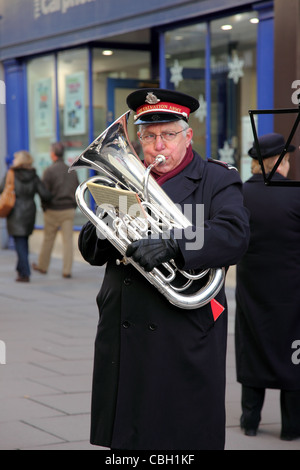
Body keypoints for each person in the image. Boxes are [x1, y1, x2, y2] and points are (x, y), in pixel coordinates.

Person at [78, 88, 250, 450]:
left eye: (168, 134)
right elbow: (91, 250)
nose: (158, 146)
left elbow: (234, 235)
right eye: (149, 136)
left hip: (181, 330)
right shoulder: (121, 179)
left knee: (180, 433)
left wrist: (175, 245)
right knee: (127, 436)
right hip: (123, 326)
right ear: (138, 139)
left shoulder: (216, 180)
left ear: (188, 136)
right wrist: (112, 233)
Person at [235, 132, 300, 441]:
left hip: (251, 290)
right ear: (280, 163)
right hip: (292, 294)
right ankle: (291, 428)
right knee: (294, 358)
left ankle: (250, 421)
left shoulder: (239, 194)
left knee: (252, 350)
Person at [0, 150, 52, 282]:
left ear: (19, 161)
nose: (13, 161)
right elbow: (45, 194)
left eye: (15, 159)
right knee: (23, 242)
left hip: (15, 211)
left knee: (20, 243)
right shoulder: (34, 175)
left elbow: (1, 188)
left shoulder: (10, 174)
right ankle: (20, 269)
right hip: (29, 211)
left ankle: (25, 273)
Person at [32, 142, 79, 278]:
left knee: (48, 239)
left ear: (53, 154)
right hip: (68, 209)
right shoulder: (71, 169)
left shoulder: (49, 171)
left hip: (53, 209)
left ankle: (42, 266)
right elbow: (77, 188)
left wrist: (45, 208)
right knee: (68, 241)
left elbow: (44, 192)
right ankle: (67, 270)